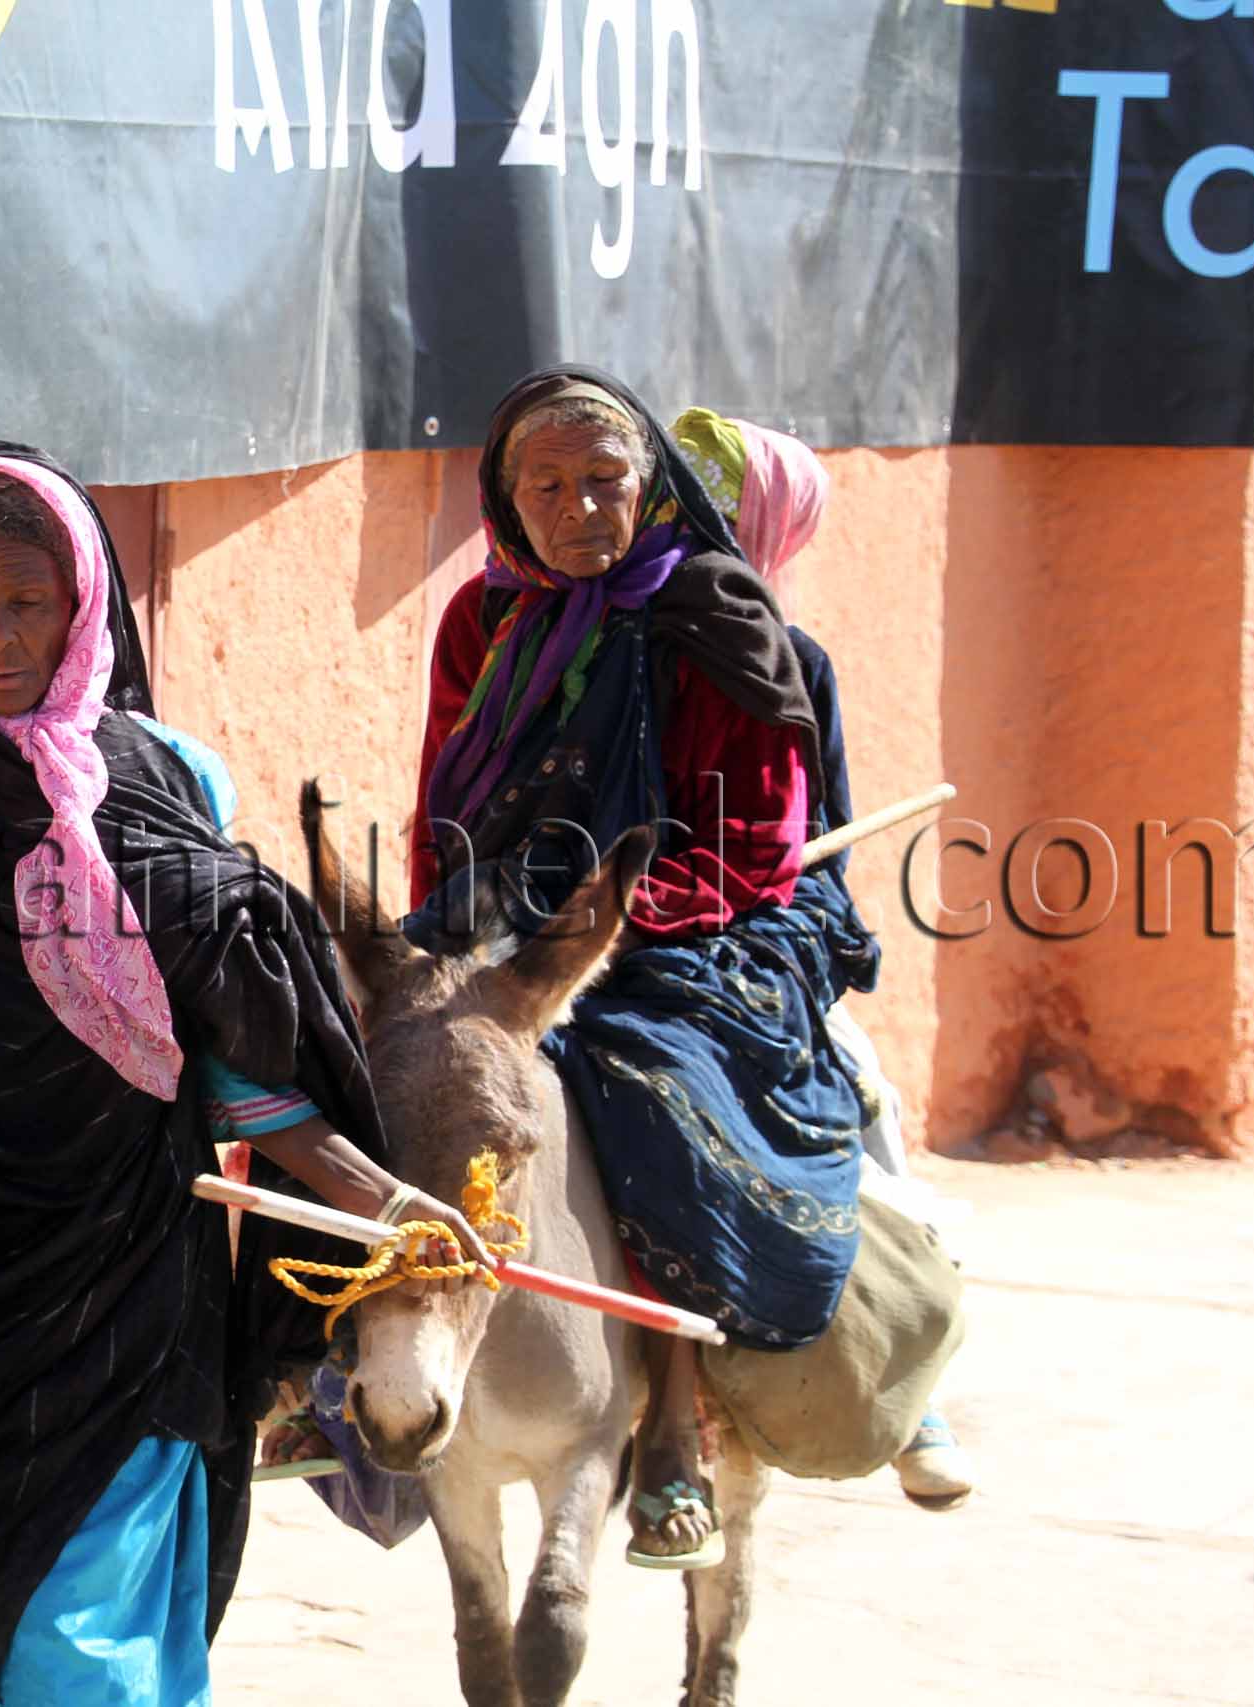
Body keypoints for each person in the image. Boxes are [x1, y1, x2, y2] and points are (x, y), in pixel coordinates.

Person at [0, 443, 492, 1705]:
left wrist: (370, 1195)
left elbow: (228, 1040)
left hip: (109, 1301)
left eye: (26, 604)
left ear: (86, 609)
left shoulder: (168, 781)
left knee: (80, 1657)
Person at [405, 367, 874, 1571]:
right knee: (387, 1064)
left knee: (635, 1082)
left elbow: (754, 843)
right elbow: (445, 797)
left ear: (649, 480)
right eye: (546, 486)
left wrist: (591, 925)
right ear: (507, 503)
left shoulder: (718, 616)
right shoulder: (481, 620)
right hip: (502, 908)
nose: (578, 508)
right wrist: (459, 923)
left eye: (604, 480)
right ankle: (337, 1362)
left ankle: (670, 1415)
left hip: (689, 925)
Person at [670, 404, 980, 1511]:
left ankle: (906, 1376)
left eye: (708, 501)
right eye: (674, 493)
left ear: (763, 527)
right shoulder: (589, 634)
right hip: (582, 917)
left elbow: (820, 848)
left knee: (849, 1093)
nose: (678, 519)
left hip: (743, 926)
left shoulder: (793, 661)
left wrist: (740, 915)